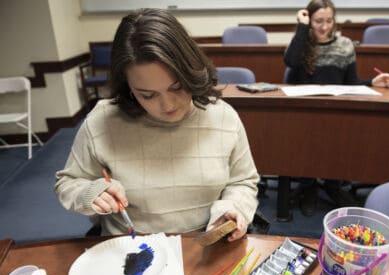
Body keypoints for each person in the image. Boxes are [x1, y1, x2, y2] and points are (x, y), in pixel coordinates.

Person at [54, 8, 259, 242]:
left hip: (204, 244)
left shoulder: (223, 117)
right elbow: (68, 183)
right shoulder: (103, 121)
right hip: (130, 247)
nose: (168, 105)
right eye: (147, 95)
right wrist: (90, 193)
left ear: (191, 71)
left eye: (177, 87)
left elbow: (243, 181)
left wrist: (233, 208)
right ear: (128, 87)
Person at [284, 0, 389, 215]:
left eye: (328, 21)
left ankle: (333, 184)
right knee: (307, 138)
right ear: (308, 20)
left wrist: (372, 82)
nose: (324, 27)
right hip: (304, 112)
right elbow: (290, 61)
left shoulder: (344, 45)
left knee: (338, 134)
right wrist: (302, 27)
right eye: (318, 21)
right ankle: (307, 186)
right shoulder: (300, 42)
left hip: (334, 111)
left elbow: (350, 82)